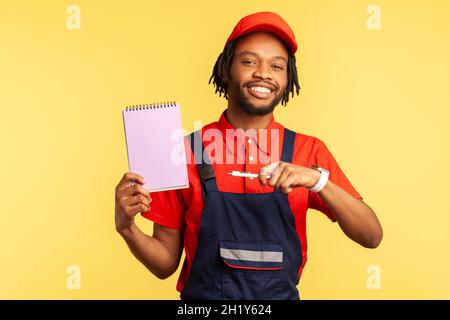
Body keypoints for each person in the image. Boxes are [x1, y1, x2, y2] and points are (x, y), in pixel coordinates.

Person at [114, 11, 383, 300]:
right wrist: (127, 227)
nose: (264, 73)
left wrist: (318, 181)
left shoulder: (308, 151)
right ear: (226, 68)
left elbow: (371, 236)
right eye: (249, 61)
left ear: (287, 78)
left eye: (277, 66)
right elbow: (165, 263)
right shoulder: (182, 152)